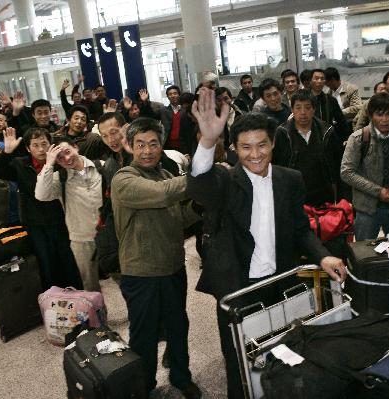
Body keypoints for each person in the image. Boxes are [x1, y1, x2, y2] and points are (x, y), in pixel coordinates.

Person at [187, 88, 346, 399]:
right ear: (234, 148)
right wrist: (207, 142)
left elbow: (301, 229)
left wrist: (323, 257)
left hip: (280, 280)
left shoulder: (290, 179)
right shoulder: (224, 181)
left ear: (274, 142)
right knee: (239, 360)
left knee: (281, 351)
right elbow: (199, 186)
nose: (255, 154)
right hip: (238, 285)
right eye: (245, 147)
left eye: (262, 145)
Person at [111, 117, 202, 399]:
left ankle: (180, 375)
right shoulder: (124, 179)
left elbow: (179, 218)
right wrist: (200, 178)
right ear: (131, 147)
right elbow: (162, 195)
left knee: (178, 326)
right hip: (141, 273)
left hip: (173, 266)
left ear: (161, 146)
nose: (147, 151)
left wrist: (198, 206)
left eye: (153, 144)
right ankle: (144, 385)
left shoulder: (165, 175)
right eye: (141, 145)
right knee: (144, 334)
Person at [0, 127, 83, 289]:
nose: (41, 149)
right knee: (46, 263)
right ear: (28, 148)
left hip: (61, 219)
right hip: (35, 223)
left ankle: (77, 297)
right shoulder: (21, 164)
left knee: (68, 260)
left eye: (44, 144)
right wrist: (7, 152)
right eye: (35, 145)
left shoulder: (60, 162)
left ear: (50, 145)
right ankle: (53, 299)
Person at [35, 138, 103, 292]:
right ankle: (98, 315)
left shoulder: (101, 167)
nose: (66, 158)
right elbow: (41, 195)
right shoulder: (61, 178)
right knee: (90, 286)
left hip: (109, 233)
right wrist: (49, 164)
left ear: (76, 147)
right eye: (60, 157)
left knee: (123, 278)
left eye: (68, 152)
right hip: (81, 238)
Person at [340, 93, 389, 240]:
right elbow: (346, 172)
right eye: (379, 114)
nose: (384, 119)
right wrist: (378, 191)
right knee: (364, 255)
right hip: (367, 209)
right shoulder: (358, 138)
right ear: (371, 115)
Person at [272, 90, 340, 206]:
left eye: (307, 108)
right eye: (298, 108)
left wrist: (340, 197)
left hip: (322, 194)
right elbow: (276, 166)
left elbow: (337, 165)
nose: (303, 112)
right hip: (293, 194)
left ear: (314, 109)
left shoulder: (327, 131)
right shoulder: (282, 133)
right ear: (292, 110)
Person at [161, 85, 193, 155]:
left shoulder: (186, 110)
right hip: (169, 145)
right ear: (167, 97)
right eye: (170, 94)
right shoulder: (164, 111)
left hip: (185, 144)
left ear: (179, 95)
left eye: (175, 93)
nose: (173, 96)